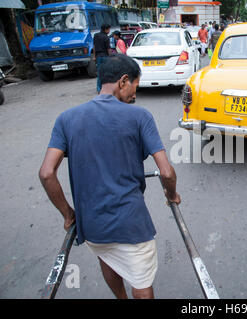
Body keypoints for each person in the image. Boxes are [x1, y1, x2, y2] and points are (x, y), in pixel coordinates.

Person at [39, 54, 181, 299]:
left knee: (108, 259)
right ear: (123, 81)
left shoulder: (67, 119)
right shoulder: (140, 117)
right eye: (135, 86)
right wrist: (172, 194)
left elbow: (46, 173)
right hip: (131, 222)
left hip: (91, 223)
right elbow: (166, 172)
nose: (135, 94)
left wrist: (68, 214)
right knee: (142, 281)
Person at [93, 24, 111, 93]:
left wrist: (94, 56)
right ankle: (106, 88)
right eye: (108, 29)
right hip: (105, 56)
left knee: (100, 73)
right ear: (105, 29)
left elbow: (94, 46)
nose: (109, 31)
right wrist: (110, 57)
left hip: (98, 57)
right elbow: (108, 49)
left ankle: (99, 89)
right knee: (106, 73)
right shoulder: (106, 37)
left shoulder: (96, 35)